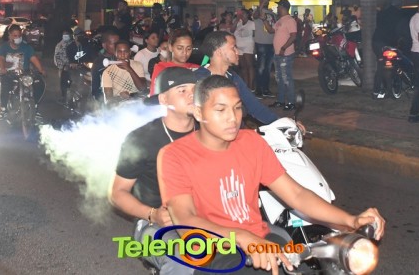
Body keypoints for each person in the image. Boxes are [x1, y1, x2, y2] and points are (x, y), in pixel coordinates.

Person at [158, 75, 385, 273]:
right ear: (199, 112)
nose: (232, 118)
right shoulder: (174, 155)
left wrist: (350, 220)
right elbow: (185, 220)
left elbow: (296, 194)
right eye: (220, 110)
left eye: (237, 108)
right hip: (213, 251)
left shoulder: (251, 142)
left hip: (262, 240)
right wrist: (242, 238)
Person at [109, 67, 198, 275]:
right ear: (164, 99)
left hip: (204, 215)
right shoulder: (142, 139)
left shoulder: (209, 130)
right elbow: (117, 193)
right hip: (155, 224)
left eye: (195, 90)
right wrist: (152, 214)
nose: (192, 95)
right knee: (184, 259)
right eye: (182, 90)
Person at [194, 31, 279, 125]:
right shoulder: (199, 80)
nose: (237, 52)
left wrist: (280, 123)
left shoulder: (232, 76)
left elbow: (254, 106)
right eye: (233, 47)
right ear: (219, 52)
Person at [0, 24, 46, 119]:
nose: (17, 38)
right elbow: (1, 59)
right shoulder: (3, 47)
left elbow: (34, 59)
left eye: (19, 36)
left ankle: (35, 107)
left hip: (25, 74)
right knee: (4, 84)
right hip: (9, 74)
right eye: (15, 36)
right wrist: (2, 69)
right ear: (9, 36)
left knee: (39, 83)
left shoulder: (27, 48)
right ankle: (3, 109)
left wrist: (41, 70)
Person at [270, 0, 297, 110]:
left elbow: (293, 36)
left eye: (278, 7)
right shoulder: (280, 20)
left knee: (286, 78)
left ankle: (291, 102)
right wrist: (264, 20)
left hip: (285, 54)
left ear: (283, 7)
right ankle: (280, 100)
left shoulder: (290, 20)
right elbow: (271, 31)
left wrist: (283, 48)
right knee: (279, 78)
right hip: (278, 54)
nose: (277, 8)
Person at [252, 0, 275, 98]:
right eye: (265, 0)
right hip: (261, 42)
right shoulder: (257, 11)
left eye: (268, 0)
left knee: (268, 68)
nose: (267, 1)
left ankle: (265, 89)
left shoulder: (272, 13)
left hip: (271, 43)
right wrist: (261, 4)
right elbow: (255, 16)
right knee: (260, 67)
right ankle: (258, 90)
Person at [91, 28, 119, 102]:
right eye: (113, 43)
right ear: (104, 45)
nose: (116, 46)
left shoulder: (123, 59)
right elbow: (96, 90)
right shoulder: (98, 63)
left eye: (118, 43)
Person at [232, 8, 256, 90]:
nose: (242, 15)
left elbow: (254, 35)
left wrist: (255, 47)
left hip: (248, 45)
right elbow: (232, 30)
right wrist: (236, 20)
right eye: (240, 13)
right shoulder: (238, 23)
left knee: (249, 65)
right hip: (239, 46)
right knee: (243, 67)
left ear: (247, 15)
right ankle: (246, 85)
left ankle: (251, 85)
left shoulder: (251, 23)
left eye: (243, 13)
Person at [54, 29, 74, 99]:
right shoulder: (59, 45)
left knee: (72, 82)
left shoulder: (73, 43)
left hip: (73, 67)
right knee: (64, 82)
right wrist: (61, 67)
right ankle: (64, 96)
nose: (65, 36)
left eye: (67, 34)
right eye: (64, 34)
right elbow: (57, 57)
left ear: (70, 35)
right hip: (63, 67)